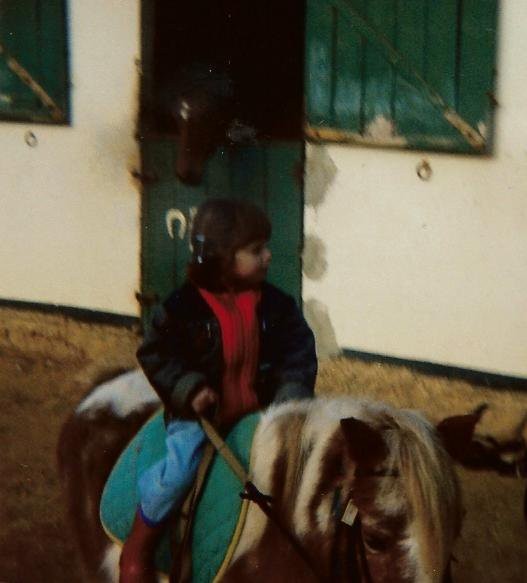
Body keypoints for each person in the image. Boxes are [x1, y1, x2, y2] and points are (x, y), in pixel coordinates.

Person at [119, 198, 317, 583]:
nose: (268, 256)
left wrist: (290, 394)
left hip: (262, 413)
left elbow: (298, 350)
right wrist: (189, 388)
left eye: (265, 247)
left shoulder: (277, 306)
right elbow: (156, 352)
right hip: (201, 417)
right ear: (221, 258)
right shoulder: (183, 307)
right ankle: (139, 546)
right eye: (256, 250)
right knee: (179, 471)